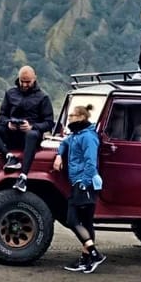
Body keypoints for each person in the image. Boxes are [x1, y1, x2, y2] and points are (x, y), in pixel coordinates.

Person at [0, 66, 54, 192]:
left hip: (30, 137)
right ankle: (9, 156)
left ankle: (23, 178)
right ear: (18, 79)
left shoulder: (43, 97)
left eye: (28, 82)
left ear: (34, 79)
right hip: (11, 133)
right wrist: (8, 123)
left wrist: (32, 126)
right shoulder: (10, 93)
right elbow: (1, 116)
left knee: (31, 134)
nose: (24, 84)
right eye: (22, 81)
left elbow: (49, 123)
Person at [52, 104, 105, 273]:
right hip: (78, 181)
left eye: (72, 116)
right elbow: (64, 143)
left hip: (84, 183)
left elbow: (91, 162)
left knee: (72, 220)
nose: (69, 119)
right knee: (86, 222)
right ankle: (86, 260)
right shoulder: (76, 135)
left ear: (82, 117)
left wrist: (84, 182)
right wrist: (60, 155)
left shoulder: (88, 137)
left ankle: (95, 254)